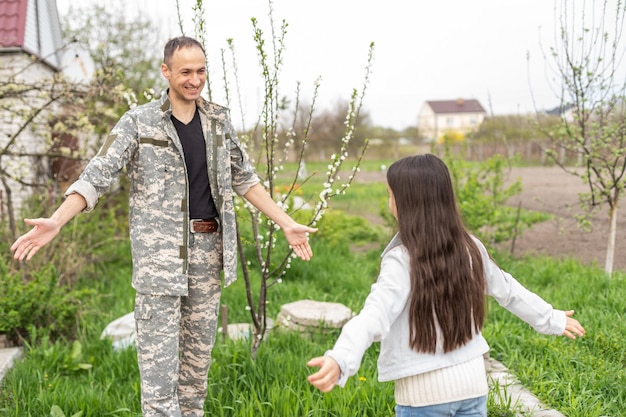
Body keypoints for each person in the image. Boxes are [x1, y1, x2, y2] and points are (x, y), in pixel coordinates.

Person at [11, 36, 317, 417]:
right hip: (160, 263)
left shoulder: (218, 121)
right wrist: (57, 220)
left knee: (194, 381)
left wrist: (286, 222)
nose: (194, 79)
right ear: (166, 71)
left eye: (201, 70)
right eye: (185, 71)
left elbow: (245, 179)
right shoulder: (139, 122)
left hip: (209, 257)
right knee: (159, 387)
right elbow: (97, 175)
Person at [306, 154, 585, 417]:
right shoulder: (471, 247)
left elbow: (374, 314)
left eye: (390, 195)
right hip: (473, 386)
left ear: (406, 203)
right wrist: (552, 318)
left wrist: (341, 358)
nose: (389, 201)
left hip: (422, 397)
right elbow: (509, 291)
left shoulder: (401, 260)